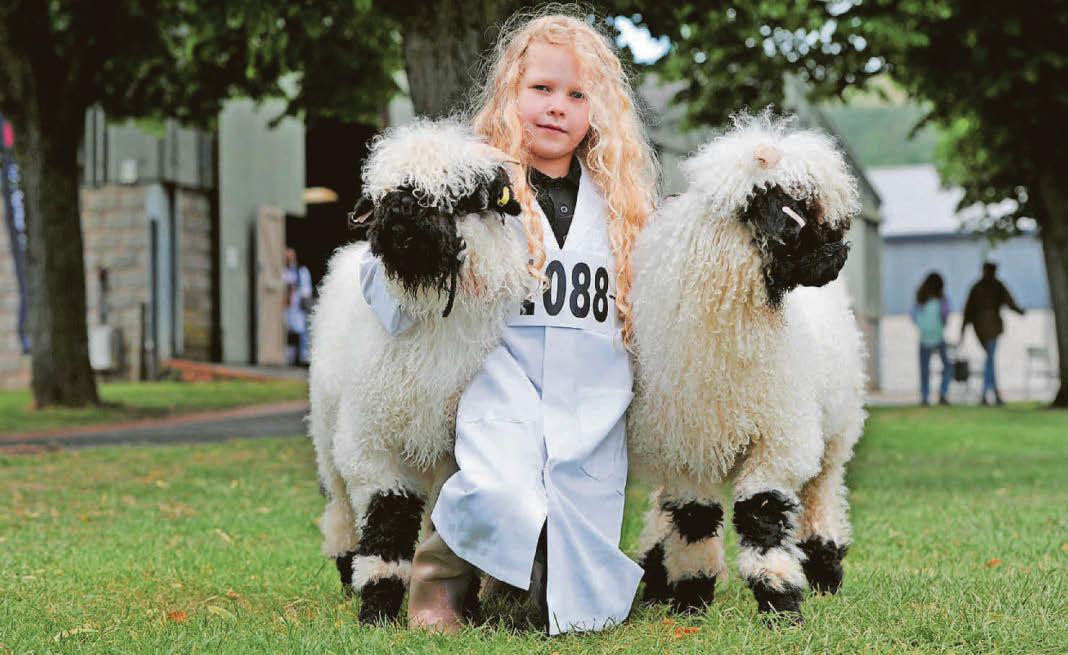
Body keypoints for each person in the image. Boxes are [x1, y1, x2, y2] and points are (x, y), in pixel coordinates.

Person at [359, 11, 658, 635]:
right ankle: (438, 589)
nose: (558, 108)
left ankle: (532, 583)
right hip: (500, 371)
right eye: (541, 90)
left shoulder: (622, 204)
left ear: (600, 111)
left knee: (582, 543)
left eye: (578, 96)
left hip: (592, 390)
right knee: (491, 476)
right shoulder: (472, 180)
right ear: (511, 93)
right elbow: (391, 264)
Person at [961, 261, 1025, 405]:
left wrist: (963, 331)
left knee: (990, 359)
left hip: (985, 330)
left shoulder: (988, 287)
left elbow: (967, 312)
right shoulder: (986, 287)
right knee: (990, 360)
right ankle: (989, 392)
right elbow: (968, 310)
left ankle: (990, 393)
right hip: (987, 329)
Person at [912, 272, 952, 406]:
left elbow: (913, 315)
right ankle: (943, 393)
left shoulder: (920, 298)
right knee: (947, 365)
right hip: (938, 337)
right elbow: (945, 316)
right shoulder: (942, 299)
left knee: (924, 370)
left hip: (924, 338)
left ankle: (924, 397)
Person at [283, 247, 313, 366]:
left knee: (301, 331)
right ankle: (288, 359)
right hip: (285, 307)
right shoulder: (282, 271)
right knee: (286, 332)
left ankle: (301, 358)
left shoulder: (302, 271)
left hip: (297, 307)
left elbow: (306, 291)